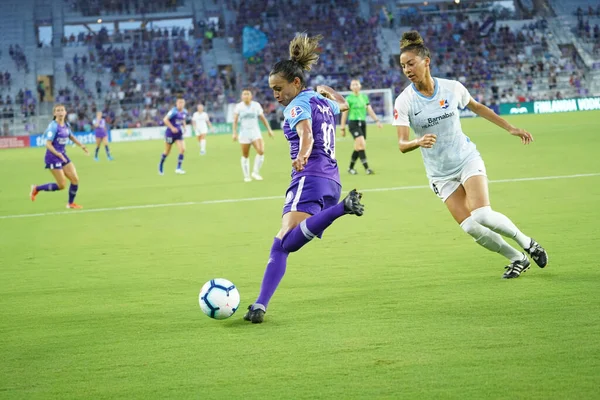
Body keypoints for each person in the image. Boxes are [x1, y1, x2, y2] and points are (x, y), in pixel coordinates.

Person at [393, 31, 548, 279]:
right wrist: (417, 141)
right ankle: (516, 258)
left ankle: (529, 244)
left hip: (466, 159)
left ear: (426, 61)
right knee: (471, 228)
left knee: (482, 214)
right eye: (403, 66)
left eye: (411, 63)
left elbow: (477, 107)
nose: (407, 69)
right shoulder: (404, 101)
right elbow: (401, 144)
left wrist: (511, 128)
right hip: (439, 174)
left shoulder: (452, 88)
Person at [243, 33, 365, 324]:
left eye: (279, 88)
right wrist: (329, 90)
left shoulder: (296, 105)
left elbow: (306, 134)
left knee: (283, 245)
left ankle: (342, 209)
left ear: (295, 83)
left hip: (309, 175)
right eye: (272, 89)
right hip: (331, 180)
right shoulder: (321, 101)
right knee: (284, 243)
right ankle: (259, 305)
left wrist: (303, 155)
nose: (276, 95)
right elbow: (344, 104)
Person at [30, 104, 89, 209]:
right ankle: (36, 188)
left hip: (62, 155)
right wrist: (57, 154)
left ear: (65, 112)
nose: (60, 112)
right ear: (54, 113)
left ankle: (70, 203)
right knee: (61, 185)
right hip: (52, 157)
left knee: (75, 179)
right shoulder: (53, 126)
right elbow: (48, 144)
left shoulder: (66, 124)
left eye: (62, 110)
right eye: (58, 110)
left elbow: (71, 136)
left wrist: (82, 146)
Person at [340, 79, 383, 175]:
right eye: (353, 85)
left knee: (358, 147)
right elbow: (344, 114)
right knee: (362, 144)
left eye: (356, 84)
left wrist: (377, 121)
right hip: (353, 123)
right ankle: (367, 168)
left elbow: (370, 110)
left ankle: (350, 168)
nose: (355, 86)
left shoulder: (364, 97)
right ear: (350, 87)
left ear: (360, 86)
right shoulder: (348, 99)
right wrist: (342, 127)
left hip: (362, 123)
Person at [232, 89, 274, 182]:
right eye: (244, 94)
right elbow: (235, 121)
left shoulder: (256, 105)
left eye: (248, 94)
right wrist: (234, 132)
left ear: (251, 96)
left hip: (255, 132)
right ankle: (246, 176)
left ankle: (255, 172)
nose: (246, 96)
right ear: (241, 97)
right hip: (244, 133)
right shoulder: (238, 107)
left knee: (261, 151)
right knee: (245, 155)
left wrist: (269, 129)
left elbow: (262, 118)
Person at [159, 97, 187, 175]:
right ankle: (161, 164)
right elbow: (165, 120)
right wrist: (172, 128)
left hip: (178, 134)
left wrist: (184, 127)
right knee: (167, 152)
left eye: (182, 103)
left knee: (182, 149)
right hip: (170, 134)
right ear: (176, 103)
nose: (181, 104)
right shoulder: (173, 111)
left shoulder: (184, 111)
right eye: (179, 103)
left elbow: (183, 119)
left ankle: (178, 168)